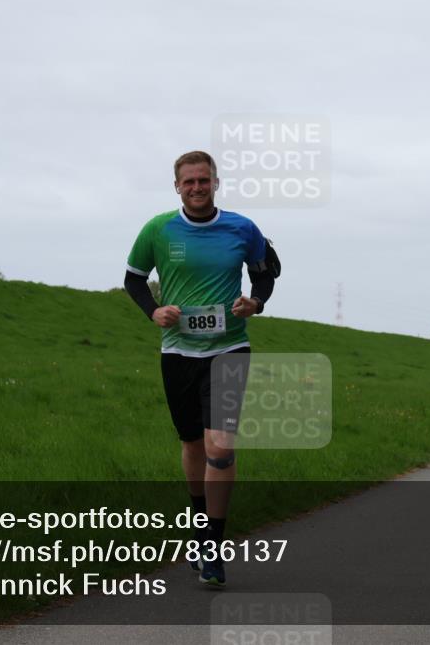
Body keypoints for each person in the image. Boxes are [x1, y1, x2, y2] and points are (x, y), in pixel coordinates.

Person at [124, 151, 276, 588]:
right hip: (177, 352)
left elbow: (264, 272)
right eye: (188, 182)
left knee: (221, 445)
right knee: (192, 443)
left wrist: (256, 301)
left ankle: (213, 544)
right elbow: (134, 278)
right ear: (177, 186)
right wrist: (153, 312)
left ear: (215, 182)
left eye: (203, 181)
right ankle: (199, 524)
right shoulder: (157, 229)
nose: (196, 188)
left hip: (230, 347)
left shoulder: (242, 228)